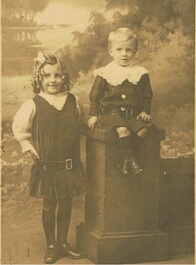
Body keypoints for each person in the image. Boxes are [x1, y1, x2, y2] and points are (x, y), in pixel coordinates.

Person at [12, 52, 85, 264]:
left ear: (64, 77)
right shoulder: (33, 104)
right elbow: (20, 128)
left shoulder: (73, 101)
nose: (53, 80)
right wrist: (27, 145)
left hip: (69, 166)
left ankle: (63, 242)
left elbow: (80, 121)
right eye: (47, 76)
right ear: (39, 79)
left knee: (66, 203)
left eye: (58, 75)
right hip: (47, 167)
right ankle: (51, 245)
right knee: (49, 205)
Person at [88, 27, 154, 175]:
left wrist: (145, 111)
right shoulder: (105, 73)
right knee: (123, 130)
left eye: (129, 50)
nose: (124, 54)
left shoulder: (140, 73)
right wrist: (93, 114)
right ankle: (131, 161)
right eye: (119, 49)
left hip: (133, 115)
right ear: (111, 51)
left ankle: (127, 160)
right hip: (112, 115)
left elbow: (147, 95)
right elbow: (95, 95)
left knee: (143, 130)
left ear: (135, 51)